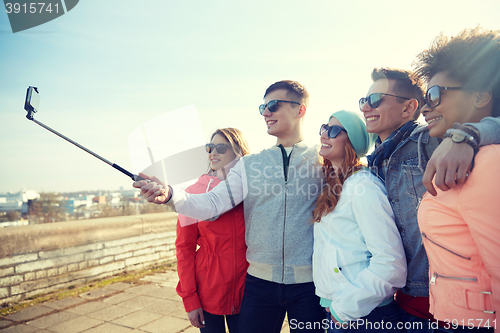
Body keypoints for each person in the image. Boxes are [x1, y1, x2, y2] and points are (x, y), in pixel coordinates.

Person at [134, 80, 325, 332]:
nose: (266, 112)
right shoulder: (249, 165)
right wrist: (170, 194)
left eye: (273, 105)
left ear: (300, 110)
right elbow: (211, 203)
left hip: (310, 285)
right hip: (258, 284)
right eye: (263, 107)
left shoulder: (323, 158)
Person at [361, 67, 500, 332]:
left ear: (408, 108)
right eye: (363, 101)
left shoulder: (432, 139)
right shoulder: (373, 160)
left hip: (442, 305)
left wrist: (469, 134)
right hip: (398, 299)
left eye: (375, 99)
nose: (366, 107)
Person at [415, 27, 500, 332]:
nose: (425, 107)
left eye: (435, 95)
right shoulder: (445, 151)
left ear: (480, 96)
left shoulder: (487, 162)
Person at [313, 110, 406, 333]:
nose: (324, 134)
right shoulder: (333, 185)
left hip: (366, 317)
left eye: (333, 130)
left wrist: (343, 309)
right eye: (324, 128)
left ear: (352, 141)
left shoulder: (364, 186)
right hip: (342, 312)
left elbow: (390, 263)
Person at [176, 128, 250, 333]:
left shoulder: (252, 189)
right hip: (208, 290)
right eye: (210, 147)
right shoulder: (192, 194)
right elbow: (184, 248)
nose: (213, 153)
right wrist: (190, 300)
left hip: (247, 289)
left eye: (221, 147)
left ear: (238, 152)